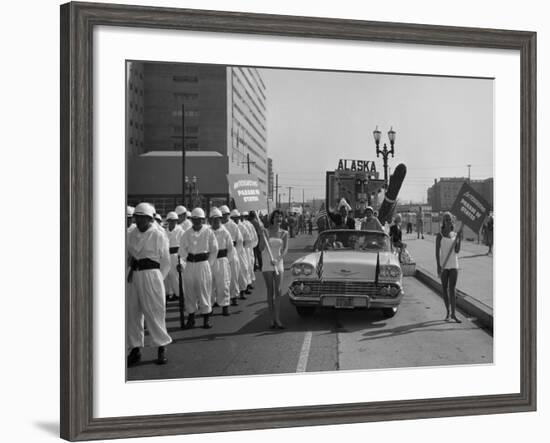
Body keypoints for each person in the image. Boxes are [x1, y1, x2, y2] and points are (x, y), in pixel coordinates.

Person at [126, 202, 172, 367]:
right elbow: (129, 256)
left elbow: (166, 261)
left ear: (149, 219)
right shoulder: (131, 234)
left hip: (151, 275)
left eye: (141, 218)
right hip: (134, 275)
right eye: (136, 218)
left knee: (154, 311)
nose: (138, 221)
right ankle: (135, 348)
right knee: (133, 313)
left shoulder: (158, 235)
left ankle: (161, 346)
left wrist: (158, 278)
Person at [179, 207, 218, 329]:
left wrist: (209, 263)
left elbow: (214, 249)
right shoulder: (186, 233)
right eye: (194, 219)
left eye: (199, 220)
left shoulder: (208, 232)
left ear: (203, 220)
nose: (197, 222)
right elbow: (182, 251)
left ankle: (206, 318)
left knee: (204, 290)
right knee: (189, 291)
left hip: (203, 264)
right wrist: (181, 263)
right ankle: (191, 318)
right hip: (190, 264)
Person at [259, 209, 288, 329]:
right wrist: (262, 236)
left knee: (279, 291)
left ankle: (277, 318)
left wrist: (279, 259)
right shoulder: (265, 231)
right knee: (270, 291)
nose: (279, 219)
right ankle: (271, 318)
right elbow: (260, 248)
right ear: (272, 218)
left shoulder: (284, 233)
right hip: (267, 263)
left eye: (280, 217)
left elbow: (285, 249)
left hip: (278, 263)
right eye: (276, 217)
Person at [435, 212, 462, 323]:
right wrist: (438, 266)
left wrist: (459, 239)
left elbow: (457, 251)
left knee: (452, 289)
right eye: (446, 219)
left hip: (454, 264)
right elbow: (436, 253)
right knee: (445, 289)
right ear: (443, 221)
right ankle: (447, 312)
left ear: (452, 221)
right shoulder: (439, 235)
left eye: (449, 219)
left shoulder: (455, 234)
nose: (448, 220)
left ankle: (454, 314)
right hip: (444, 266)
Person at [209, 208, 233, 316]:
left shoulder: (225, 232)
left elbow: (230, 248)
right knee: (209, 285)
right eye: (214, 219)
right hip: (209, 261)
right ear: (211, 220)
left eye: (218, 219)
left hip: (222, 260)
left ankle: (225, 305)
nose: (216, 221)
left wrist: (228, 261)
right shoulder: (207, 232)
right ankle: (209, 306)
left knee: (223, 284)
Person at [220, 206, 245, 306]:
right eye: (222, 215)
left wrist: (236, 253)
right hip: (221, 254)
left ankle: (234, 296)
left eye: (226, 214)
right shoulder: (218, 225)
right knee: (222, 278)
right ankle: (222, 298)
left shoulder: (233, 225)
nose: (224, 216)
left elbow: (239, 240)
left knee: (234, 275)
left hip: (232, 251)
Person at [230, 209, 252, 299]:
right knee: (232, 274)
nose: (235, 219)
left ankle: (243, 291)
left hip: (241, 251)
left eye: (237, 218)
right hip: (231, 252)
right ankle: (232, 295)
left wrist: (243, 248)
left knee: (243, 270)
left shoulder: (242, 227)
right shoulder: (229, 226)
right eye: (233, 218)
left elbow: (248, 239)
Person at [164, 211, 184, 302]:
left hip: (177, 256)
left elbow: (184, 245)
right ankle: (168, 294)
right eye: (170, 220)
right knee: (167, 276)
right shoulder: (164, 231)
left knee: (177, 276)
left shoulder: (181, 231)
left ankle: (180, 294)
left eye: (174, 221)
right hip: (167, 255)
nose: (172, 222)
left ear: (176, 221)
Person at [241, 211, 258, 292]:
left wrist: (251, 245)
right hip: (243, 249)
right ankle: (245, 285)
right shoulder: (237, 225)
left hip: (247, 248)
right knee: (244, 267)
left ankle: (248, 283)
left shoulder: (248, 224)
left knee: (248, 266)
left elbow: (253, 236)